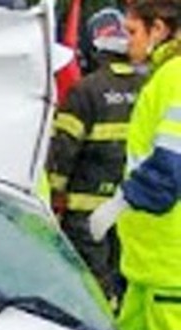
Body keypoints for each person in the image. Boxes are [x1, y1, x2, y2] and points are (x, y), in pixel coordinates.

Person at [89, 0, 181, 330]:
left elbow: (168, 174)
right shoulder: (165, 77)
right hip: (151, 265)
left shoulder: (176, 78)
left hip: (171, 265)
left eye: (133, 30)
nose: (127, 40)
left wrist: (116, 206)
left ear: (159, 28)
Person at [47, 8, 147, 299]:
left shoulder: (86, 91)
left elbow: (61, 156)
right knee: (121, 286)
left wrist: (52, 199)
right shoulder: (148, 87)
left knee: (88, 293)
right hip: (129, 211)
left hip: (85, 214)